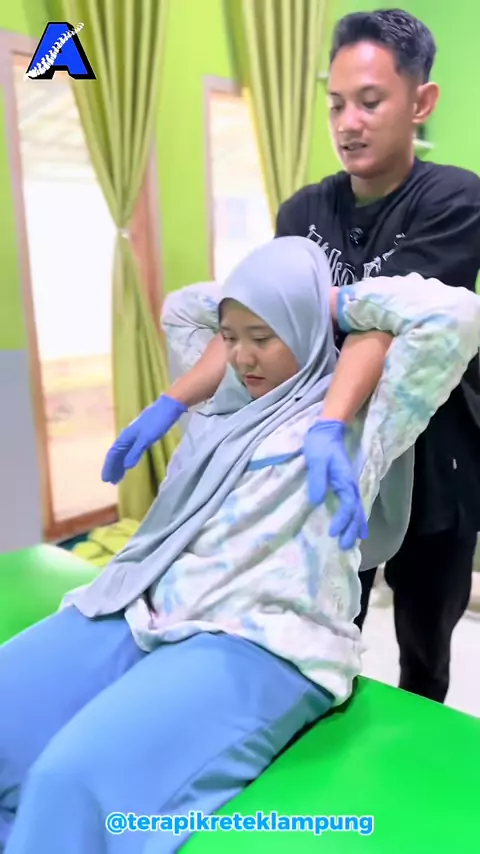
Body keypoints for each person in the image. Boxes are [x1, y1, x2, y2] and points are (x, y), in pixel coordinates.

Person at [2, 237, 480, 854]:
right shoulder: (226, 398)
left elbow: (453, 314)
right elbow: (184, 307)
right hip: (149, 601)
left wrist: (324, 311)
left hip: (264, 634)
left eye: (264, 336)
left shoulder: (369, 415)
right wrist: (177, 396)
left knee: (72, 781)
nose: (243, 356)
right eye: (231, 337)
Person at [103, 9, 480, 704]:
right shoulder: (303, 212)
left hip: (432, 459)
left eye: (370, 102)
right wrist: (174, 400)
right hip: (326, 460)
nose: (348, 123)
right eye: (336, 104)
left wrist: (330, 420)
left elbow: (382, 327)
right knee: (323, 631)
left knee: (426, 644)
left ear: (420, 102)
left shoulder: (454, 199)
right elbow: (259, 327)